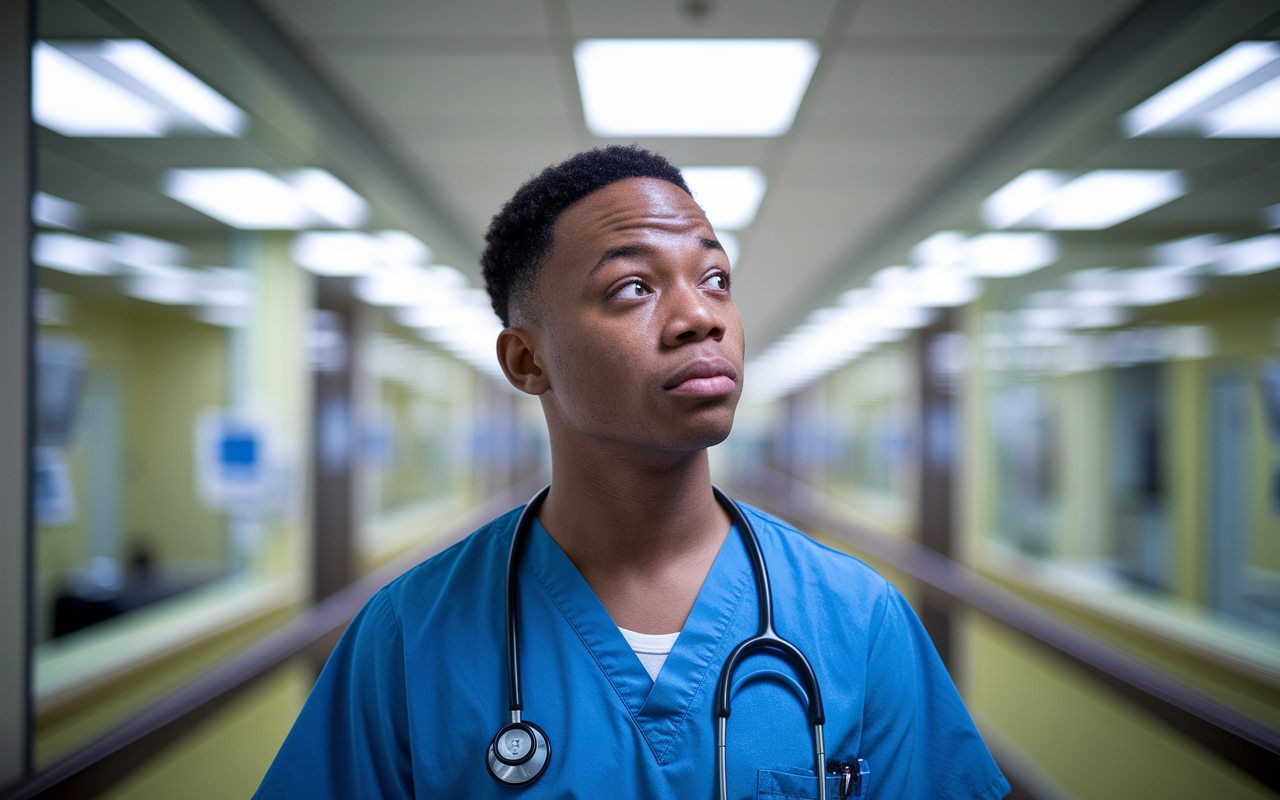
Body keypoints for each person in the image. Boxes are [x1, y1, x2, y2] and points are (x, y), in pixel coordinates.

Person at [254, 145, 1010, 799]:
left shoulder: (858, 619)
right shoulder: (407, 638)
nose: (700, 317)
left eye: (715, 279)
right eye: (633, 289)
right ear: (528, 360)